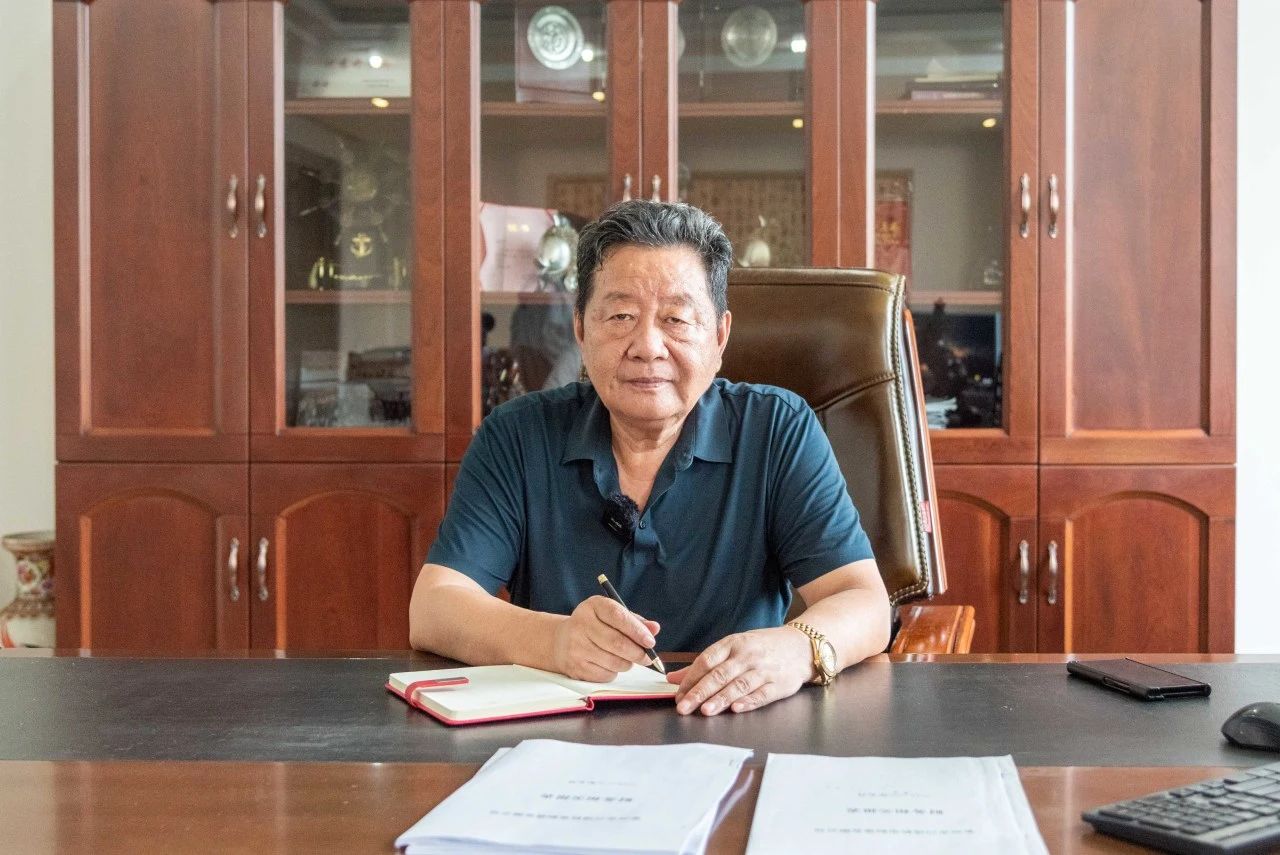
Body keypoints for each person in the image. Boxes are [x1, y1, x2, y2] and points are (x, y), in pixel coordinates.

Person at [409, 200, 890, 716]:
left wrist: (796, 650)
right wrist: (557, 640)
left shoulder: (776, 430)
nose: (648, 346)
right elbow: (434, 607)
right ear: (580, 330)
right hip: (565, 733)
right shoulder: (517, 435)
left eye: (676, 318)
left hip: (734, 723)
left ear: (720, 336)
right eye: (621, 316)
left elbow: (865, 602)